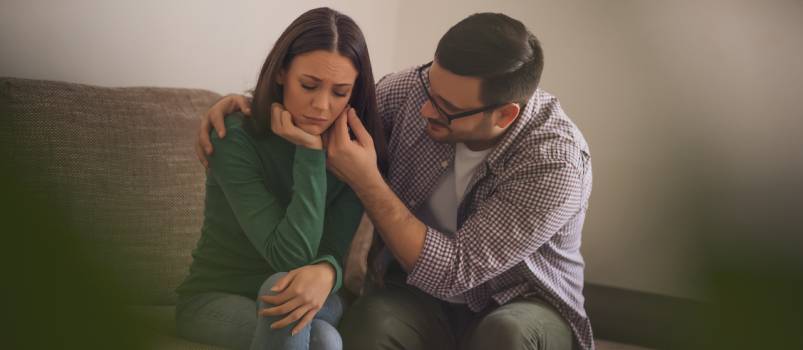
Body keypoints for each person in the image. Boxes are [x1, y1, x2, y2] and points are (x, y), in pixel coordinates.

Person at [199, 13, 594, 350]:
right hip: (416, 297)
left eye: (447, 109)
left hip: (519, 301)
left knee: (505, 333)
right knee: (368, 324)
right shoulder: (407, 91)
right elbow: (325, 110)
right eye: (430, 86)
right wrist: (246, 105)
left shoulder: (554, 163)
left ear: (504, 116)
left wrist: (368, 180)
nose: (425, 108)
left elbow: (455, 271)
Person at [175, 7, 388, 350]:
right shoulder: (234, 137)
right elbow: (290, 258)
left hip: (315, 294)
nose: (321, 105)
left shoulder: (354, 154)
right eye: (309, 85)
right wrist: (309, 151)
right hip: (215, 298)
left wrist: (329, 273)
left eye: (340, 92)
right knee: (320, 335)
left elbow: (332, 248)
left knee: (294, 302)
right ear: (281, 73)